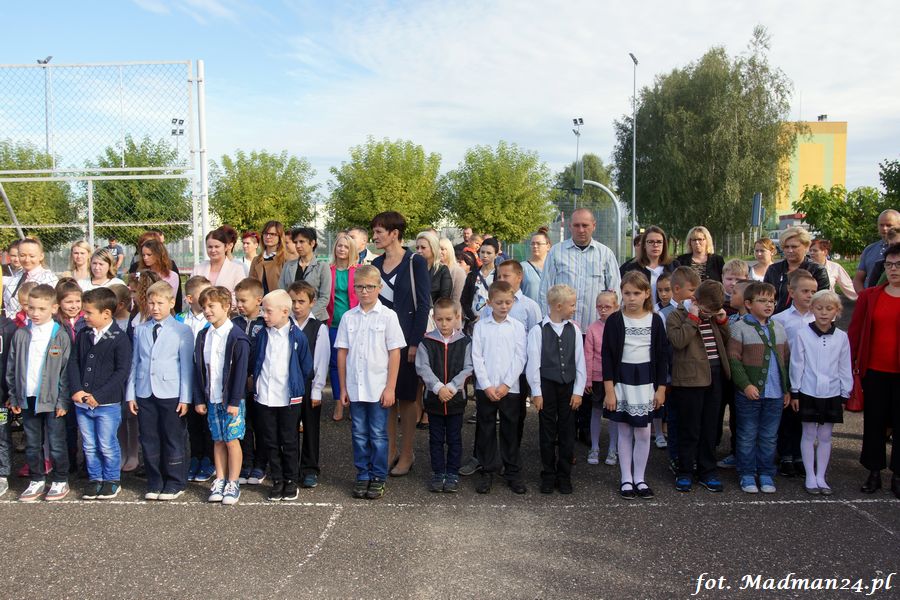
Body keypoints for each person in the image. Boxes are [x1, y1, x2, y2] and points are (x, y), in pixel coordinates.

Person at [336, 265, 406, 500]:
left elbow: (394, 353)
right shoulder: (348, 317)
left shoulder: (388, 316)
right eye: (360, 287)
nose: (364, 291)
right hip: (355, 387)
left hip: (378, 388)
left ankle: (378, 476)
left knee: (377, 433)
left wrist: (390, 387)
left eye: (370, 287)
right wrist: (342, 388)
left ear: (380, 287)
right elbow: (342, 353)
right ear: (354, 288)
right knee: (358, 433)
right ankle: (363, 474)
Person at [370, 212, 431, 477]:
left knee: (406, 399)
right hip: (380, 343)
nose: (374, 236)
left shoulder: (415, 261)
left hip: (406, 343)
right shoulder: (375, 263)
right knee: (386, 399)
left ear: (395, 233)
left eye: (379, 231)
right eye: (374, 231)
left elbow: (424, 305)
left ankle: (407, 453)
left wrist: (415, 343)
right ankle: (390, 451)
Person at [601, 272, 669, 500]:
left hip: (646, 381)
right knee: (624, 431)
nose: (631, 298)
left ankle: (640, 478)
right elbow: (607, 357)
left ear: (647, 293)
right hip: (622, 380)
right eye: (627, 293)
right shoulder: (615, 320)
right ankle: (626, 478)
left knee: (643, 431)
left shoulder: (655, 320)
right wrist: (609, 391)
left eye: (636, 293)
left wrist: (661, 388)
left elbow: (662, 356)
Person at [126, 281, 194, 501]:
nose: (155, 308)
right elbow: (135, 362)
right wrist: (131, 394)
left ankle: (175, 481)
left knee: (173, 437)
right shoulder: (141, 329)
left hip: (171, 392)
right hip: (145, 391)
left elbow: (186, 367)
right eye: (151, 303)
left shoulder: (182, 330)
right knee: (149, 438)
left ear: (171, 303)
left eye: (160, 303)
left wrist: (185, 397)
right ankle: (155, 480)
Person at [7, 284, 72, 502]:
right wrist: (15, 396)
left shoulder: (60, 335)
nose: (35, 313)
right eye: (31, 308)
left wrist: (62, 401)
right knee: (33, 443)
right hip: (28, 398)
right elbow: (12, 367)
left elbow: (65, 371)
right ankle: (36, 479)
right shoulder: (21, 334)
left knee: (56, 443)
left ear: (54, 308)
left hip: (52, 400)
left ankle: (60, 479)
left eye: (41, 309)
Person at [67, 287, 132, 500]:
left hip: (107, 404)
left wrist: (100, 395)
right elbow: (74, 362)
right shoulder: (84, 334)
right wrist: (77, 389)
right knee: (89, 444)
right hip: (82, 402)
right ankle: (95, 479)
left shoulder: (119, 338)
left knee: (106, 443)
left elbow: (121, 372)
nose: (84, 316)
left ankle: (112, 479)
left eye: (88, 312)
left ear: (106, 313)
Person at [667, 279, 730, 493]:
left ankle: (707, 470)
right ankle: (685, 470)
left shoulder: (712, 316)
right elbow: (678, 341)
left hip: (715, 376)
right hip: (690, 380)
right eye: (705, 310)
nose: (707, 315)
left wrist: (722, 321)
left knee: (710, 427)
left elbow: (726, 341)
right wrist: (693, 318)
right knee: (689, 428)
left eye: (712, 312)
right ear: (694, 300)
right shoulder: (677, 315)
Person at [848, 242, 900, 498]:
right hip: (874, 371)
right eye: (889, 265)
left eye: (898, 265)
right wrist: (849, 366)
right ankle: (874, 472)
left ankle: (898, 475)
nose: (893, 269)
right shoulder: (870, 296)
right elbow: (855, 333)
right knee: (874, 423)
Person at [728, 281, 790, 494]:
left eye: (771, 301)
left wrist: (786, 389)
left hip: (775, 394)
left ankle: (766, 473)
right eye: (762, 300)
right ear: (748, 303)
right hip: (749, 395)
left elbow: (785, 361)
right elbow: (734, 360)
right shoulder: (739, 328)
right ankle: (746, 473)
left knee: (769, 436)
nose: (768, 305)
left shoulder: (778, 328)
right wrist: (745, 385)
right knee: (747, 435)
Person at [790, 290, 852, 495]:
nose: (824, 313)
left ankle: (821, 476)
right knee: (808, 433)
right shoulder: (802, 334)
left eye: (829, 308)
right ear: (812, 309)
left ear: (837, 311)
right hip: (808, 391)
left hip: (832, 392)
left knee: (825, 435)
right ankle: (810, 476)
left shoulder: (842, 337)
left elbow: (844, 366)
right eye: (819, 308)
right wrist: (795, 391)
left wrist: (845, 392)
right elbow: (797, 364)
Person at [253, 289, 313, 502]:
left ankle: (291, 479)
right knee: (270, 440)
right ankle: (277, 479)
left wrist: (296, 386)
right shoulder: (262, 335)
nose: (264, 315)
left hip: (288, 399)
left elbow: (306, 367)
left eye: (268, 311)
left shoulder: (297, 337)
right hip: (265, 397)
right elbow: (257, 361)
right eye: (263, 311)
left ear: (285, 312)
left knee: (289, 440)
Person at [193, 286, 251, 505]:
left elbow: (241, 372)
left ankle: (233, 482)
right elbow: (199, 369)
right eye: (204, 307)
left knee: (232, 440)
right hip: (212, 398)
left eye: (212, 306)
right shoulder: (203, 336)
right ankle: (220, 478)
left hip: (231, 401)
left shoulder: (237, 337)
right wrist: (199, 398)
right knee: (217, 439)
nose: (207, 311)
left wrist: (235, 401)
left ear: (226, 306)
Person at [527, 284, 586, 495]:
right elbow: (533, 363)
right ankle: (548, 474)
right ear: (559, 306)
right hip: (547, 386)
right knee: (547, 431)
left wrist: (578, 391)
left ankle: (564, 475)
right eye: (572, 305)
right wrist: (536, 392)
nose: (574, 309)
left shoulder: (574, 330)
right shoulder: (538, 330)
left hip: (568, 387)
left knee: (567, 432)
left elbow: (580, 362)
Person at [471, 280, 527, 495]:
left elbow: (520, 357)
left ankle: (512, 472)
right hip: (485, 388)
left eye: (508, 302)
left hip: (509, 389)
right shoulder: (481, 326)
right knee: (485, 429)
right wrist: (486, 385)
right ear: (489, 303)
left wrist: (506, 384)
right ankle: (487, 470)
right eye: (499, 302)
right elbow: (477, 357)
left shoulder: (517, 327)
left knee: (510, 430)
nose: (504, 306)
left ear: (513, 302)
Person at [415, 297, 473, 493]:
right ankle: (438, 472)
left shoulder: (465, 342)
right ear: (434, 318)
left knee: (455, 438)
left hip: (456, 400)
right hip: (434, 400)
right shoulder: (427, 342)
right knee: (436, 439)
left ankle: (452, 473)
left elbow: (468, 368)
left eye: (448, 319)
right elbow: (422, 367)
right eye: (439, 319)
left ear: (457, 317)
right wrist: (439, 387)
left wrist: (452, 387)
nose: (444, 324)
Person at [539, 208, 621, 332]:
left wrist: (612, 323)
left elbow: (615, 292)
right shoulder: (556, 252)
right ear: (570, 226)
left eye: (585, 225)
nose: (581, 230)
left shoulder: (606, 254)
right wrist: (548, 323)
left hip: (596, 329)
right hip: (562, 329)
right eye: (576, 225)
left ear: (594, 226)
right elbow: (545, 289)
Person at [772, 269, 818, 478]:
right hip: (787, 372)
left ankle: (800, 455)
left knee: (805, 416)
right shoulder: (780, 319)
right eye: (805, 291)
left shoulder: (818, 317)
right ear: (791, 292)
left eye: (813, 292)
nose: (810, 295)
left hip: (810, 375)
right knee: (787, 416)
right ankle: (786, 455)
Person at [287, 281, 330, 489]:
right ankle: (291, 468)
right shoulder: (284, 324)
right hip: (288, 386)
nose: (296, 306)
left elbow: (321, 359)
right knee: (289, 429)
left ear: (312, 302)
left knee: (311, 428)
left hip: (308, 385)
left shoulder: (318, 327)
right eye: (293, 301)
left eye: (301, 301)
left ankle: (310, 468)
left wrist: (317, 390)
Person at [231, 277, 267, 485]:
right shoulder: (234, 323)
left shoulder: (265, 323)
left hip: (260, 383)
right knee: (243, 424)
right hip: (239, 383)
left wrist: (255, 376)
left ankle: (261, 464)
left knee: (261, 424)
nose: (239, 305)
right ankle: (246, 463)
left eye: (243, 300)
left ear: (258, 300)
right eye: (237, 300)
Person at [326, 233, 359, 422]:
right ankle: (338, 401)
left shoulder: (357, 270)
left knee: (353, 363)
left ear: (351, 250)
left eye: (346, 246)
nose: (342, 249)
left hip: (354, 325)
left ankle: (354, 401)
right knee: (334, 364)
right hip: (333, 323)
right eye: (339, 245)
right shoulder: (328, 270)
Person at [584, 291, 619, 466]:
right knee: (596, 412)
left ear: (616, 307)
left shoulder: (620, 327)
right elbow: (588, 355)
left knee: (614, 415)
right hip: (597, 377)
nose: (603, 310)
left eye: (607, 307)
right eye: (600, 306)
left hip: (615, 378)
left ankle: (613, 448)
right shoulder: (592, 328)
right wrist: (588, 379)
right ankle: (595, 447)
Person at [763, 227, 829, 314]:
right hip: (776, 319)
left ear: (806, 247)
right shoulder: (773, 269)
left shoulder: (817, 271)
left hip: (807, 318)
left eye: (794, 247)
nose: (790, 250)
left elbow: (822, 301)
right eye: (786, 247)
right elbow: (765, 298)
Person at [278, 227, 331, 322]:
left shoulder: (322, 266)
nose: (298, 246)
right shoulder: (288, 266)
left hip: (315, 319)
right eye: (295, 242)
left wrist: (308, 316)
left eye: (302, 242)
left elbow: (324, 297)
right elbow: (282, 292)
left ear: (312, 243)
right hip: (291, 317)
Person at [621, 225, 680, 303]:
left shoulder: (674, 266)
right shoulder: (631, 268)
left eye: (659, 242)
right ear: (644, 245)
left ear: (664, 245)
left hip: (669, 310)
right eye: (651, 242)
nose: (655, 245)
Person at [3, 238, 59, 317]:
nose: (27, 260)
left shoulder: (48, 279)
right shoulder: (16, 276)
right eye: (22, 255)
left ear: (41, 256)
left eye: (32, 256)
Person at [192, 228, 246, 300]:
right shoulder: (198, 268)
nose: (213, 250)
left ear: (226, 247)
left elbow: (240, 296)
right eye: (210, 247)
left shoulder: (237, 269)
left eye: (217, 246)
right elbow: (191, 292)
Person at [854, 209, 900, 292]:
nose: (884, 228)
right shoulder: (869, 250)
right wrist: (865, 297)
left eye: (889, 225)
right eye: (881, 225)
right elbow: (858, 280)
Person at [461, 237, 500, 324]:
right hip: (474, 322)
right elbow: (464, 299)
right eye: (482, 252)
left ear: (496, 255)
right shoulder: (472, 275)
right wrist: (472, 317)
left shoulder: (500, 275)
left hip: (494, 321)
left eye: (489, 253)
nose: (485, 256)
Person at [0, 305, 16, 498]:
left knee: (2, 436)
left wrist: (11, 393)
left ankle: (2, 474)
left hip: (2, 396)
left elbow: (12, 364)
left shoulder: (8, 328)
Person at [137, 238, 182, 305]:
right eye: (143, 255)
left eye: (149, 255)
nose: (145, 258)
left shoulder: (172, 276)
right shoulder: (140, 274)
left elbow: (170, 299)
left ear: (158, 255)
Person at [250, 220, 288, 295]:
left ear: (280, 237)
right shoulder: (256, 260)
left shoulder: (285, 259)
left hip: (279, 300)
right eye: (265, 233)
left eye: (272, 234)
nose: (268, 237)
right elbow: (251, 284)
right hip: (259, 300)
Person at [416, 231, 452, 304]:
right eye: (417, 247)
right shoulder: (412, 268)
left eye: (423, 247)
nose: (419, 251)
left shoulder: (442, 270)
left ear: (433, 248)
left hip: (434, 310)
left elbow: (444, 300)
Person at [520, 227, 551, 303]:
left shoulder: (554, 267)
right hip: (528, 309)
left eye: (538, 244)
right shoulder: (523, 267)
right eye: (532, 244)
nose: (535, 246)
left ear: (548, 246)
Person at [439, 237, 466, 303]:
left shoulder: (458, 271)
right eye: (437, 249)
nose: (439, 252)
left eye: (442, 249)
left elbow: (457, 300)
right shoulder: (433, 269)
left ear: (449, 251)